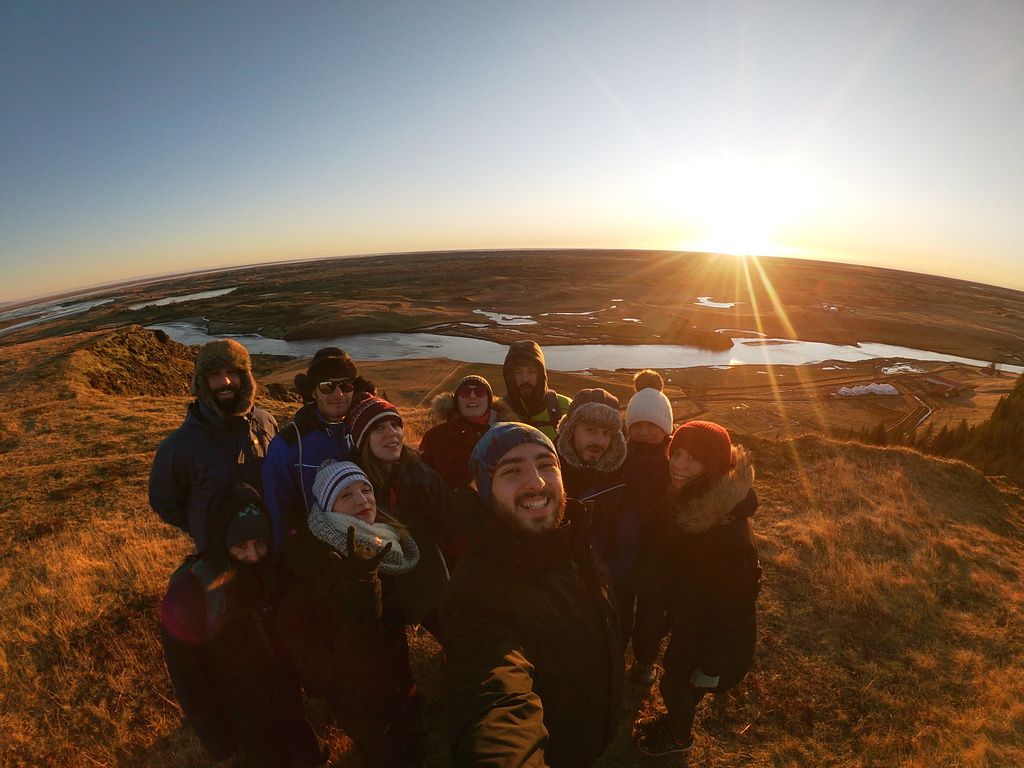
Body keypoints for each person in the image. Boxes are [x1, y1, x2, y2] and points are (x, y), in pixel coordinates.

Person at [440, 423, 623, 768]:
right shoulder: (476, 592)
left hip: (591, 733)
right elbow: (494, 698)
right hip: (556, 751)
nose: (536, 482)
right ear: (481, 488)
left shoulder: (572, 543)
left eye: (545, 464)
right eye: (511, 470)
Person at [160, 482, 329, 768]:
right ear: (219, 539)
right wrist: (218, 738)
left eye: (260, 543)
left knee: (308, 752)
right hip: (237, 711)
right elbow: (187, 676)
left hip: (286, 696)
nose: (252, 555)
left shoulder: (272, 569)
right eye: (240, 546)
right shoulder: (191, 590)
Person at [275, 460, 422, 768]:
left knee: (410, 737)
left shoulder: (381, 535)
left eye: (366, 489)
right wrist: (360, 582)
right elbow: (341, 635)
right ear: (328, 506)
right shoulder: (316, 556)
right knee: (386, 751)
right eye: (346, 495)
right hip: (355, 688)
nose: (361, 500)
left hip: (391, 668)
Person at [634, 421, 761, 757]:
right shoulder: (691, 501)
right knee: (678, 682)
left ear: (714, 466)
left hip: (708, 631)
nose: (678, 464)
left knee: (677, 683)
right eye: (677, 453)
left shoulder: (723, 531)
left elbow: (738, 608)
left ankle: (678, 738)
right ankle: (676, 721)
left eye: (693, 459)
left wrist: (715, 664)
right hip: (690, 614)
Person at [149, 339, 277, 551]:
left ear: (245, 378)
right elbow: (164, 501)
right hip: (217, 556)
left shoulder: (265, 423)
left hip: (270, 546)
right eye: (214, 375)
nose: (225, 381)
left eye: (232, 372)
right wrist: (204, 527)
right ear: (201, 383)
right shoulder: (179, 446)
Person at [347, 394, 460, 621]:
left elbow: (455, 528)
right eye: (379, 428)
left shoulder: (420, 474)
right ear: (362, 439)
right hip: (385, 598)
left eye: (395, 424)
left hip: (431, 589)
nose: (392, 433)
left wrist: (432, 518)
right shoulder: (355, 486)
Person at [261, 346, 375, 552]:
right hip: (314, 555)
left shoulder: (367, 433)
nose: (338, 393)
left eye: (345, 385)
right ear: (313, 391)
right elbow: (277, 513)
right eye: (326, 386)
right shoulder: (288, 444)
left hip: (368, 547)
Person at [555, 388, 637, 638]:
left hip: (605, 592)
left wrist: (603, 583)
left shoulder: (623, 483)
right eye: (590, 430)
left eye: (606, 433)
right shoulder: (549, 475)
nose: (600, 441)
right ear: (570, 429)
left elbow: (629, 548)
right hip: (555, 593)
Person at [623, 369, 675, 681]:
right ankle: (616, 656)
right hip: (625, 554)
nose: (643, 431)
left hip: (659, 557)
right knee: (620, 612)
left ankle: (643, 662)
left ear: (665, 428)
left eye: (652, 425)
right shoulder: (618, 457)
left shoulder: (675, 462)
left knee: (651, 617)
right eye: (637, 425)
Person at [418, 374, 512, 490]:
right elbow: (422, 482)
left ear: (489, 400)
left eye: (479, 392)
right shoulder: (435, 437)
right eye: (465, 392)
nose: (472, 396)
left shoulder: (509, 434)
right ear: (456, 401)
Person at [500, 340, 572, 441]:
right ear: (510, 376)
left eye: (531, 372)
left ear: (541, 374)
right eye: (518, 372)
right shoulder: (498, 411)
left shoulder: (566, 408)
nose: (525, 379)